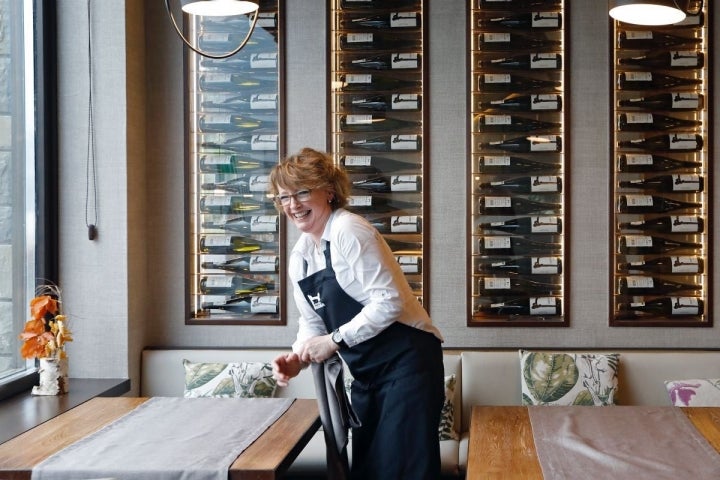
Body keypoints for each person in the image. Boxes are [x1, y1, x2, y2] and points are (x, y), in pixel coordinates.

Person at [269, 148, 445, 480]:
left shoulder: (350, 230)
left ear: (329, 191)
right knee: (369, 470)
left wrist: (334, 341)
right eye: (284, 198)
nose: (293, 205)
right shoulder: (301, 257)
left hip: (408, 366)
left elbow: (389, 302)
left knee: (404, 471)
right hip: (367, 376)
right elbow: (312, 322)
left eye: (302, 192)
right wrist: (298, 357)